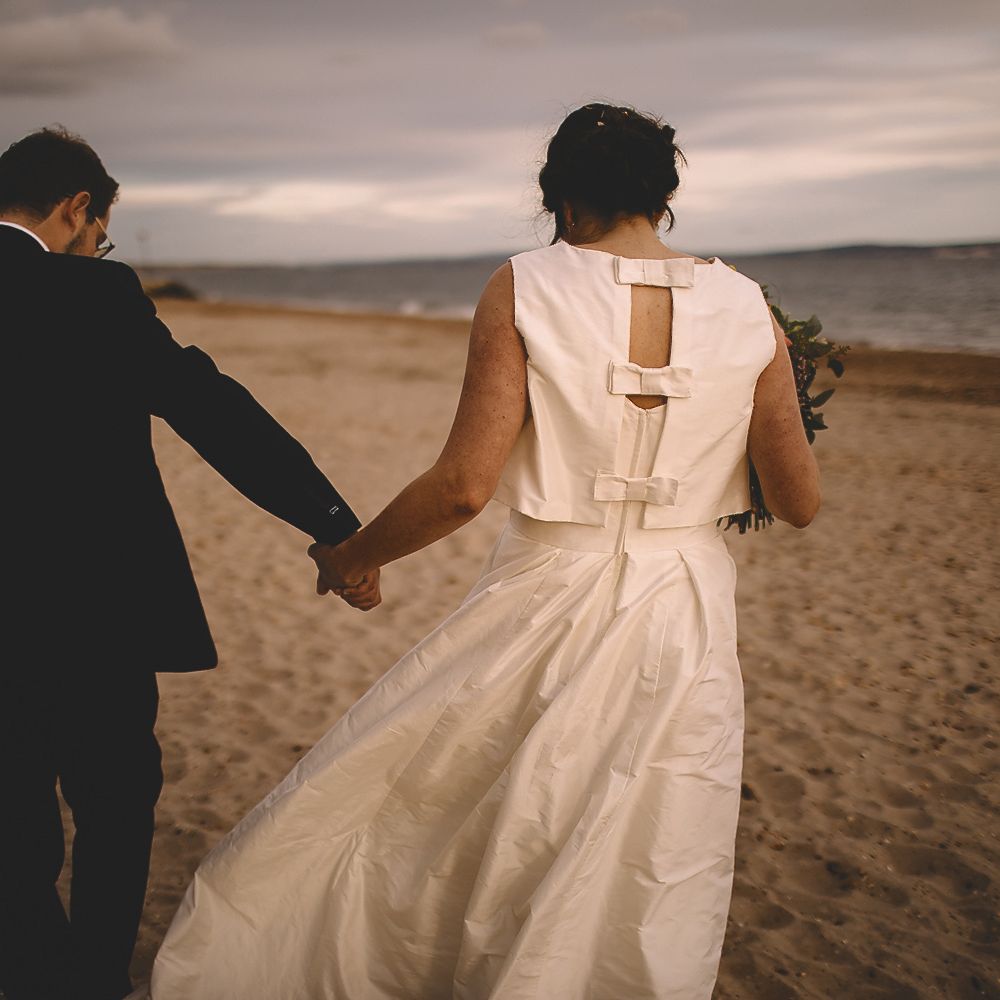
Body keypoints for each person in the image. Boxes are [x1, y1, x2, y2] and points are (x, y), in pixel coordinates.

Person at [149, 103, 820, 999]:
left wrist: (355, 555)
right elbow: (799, 501)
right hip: (683, 604)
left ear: (561, 195)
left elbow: (464, 485)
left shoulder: (526, 285)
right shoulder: (746, 306)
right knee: (646, 832)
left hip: (546, 587)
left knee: (455, 801)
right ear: (665, 193)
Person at [0, 126, 367, 1000]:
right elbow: (214, 412)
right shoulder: (97, 295)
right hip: (98, 611)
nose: (97, 249)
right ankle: (92, 981)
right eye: (100, 233)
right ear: (78, 207)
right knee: (116, 808)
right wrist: (331, 527)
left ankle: (37, 973)